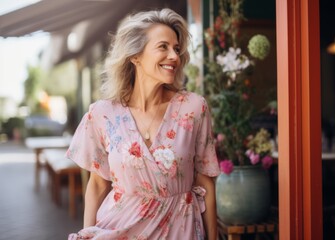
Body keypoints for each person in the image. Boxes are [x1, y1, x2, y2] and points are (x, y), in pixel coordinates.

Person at [67, 8, 220, 240]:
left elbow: (205, 180)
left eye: (177, 49)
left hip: (181, 231)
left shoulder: (193, 108)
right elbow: (98, 184)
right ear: (135, 56)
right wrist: (87, 233)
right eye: (163, 47)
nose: (174, 56)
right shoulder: (102, 114)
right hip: (118, 230)